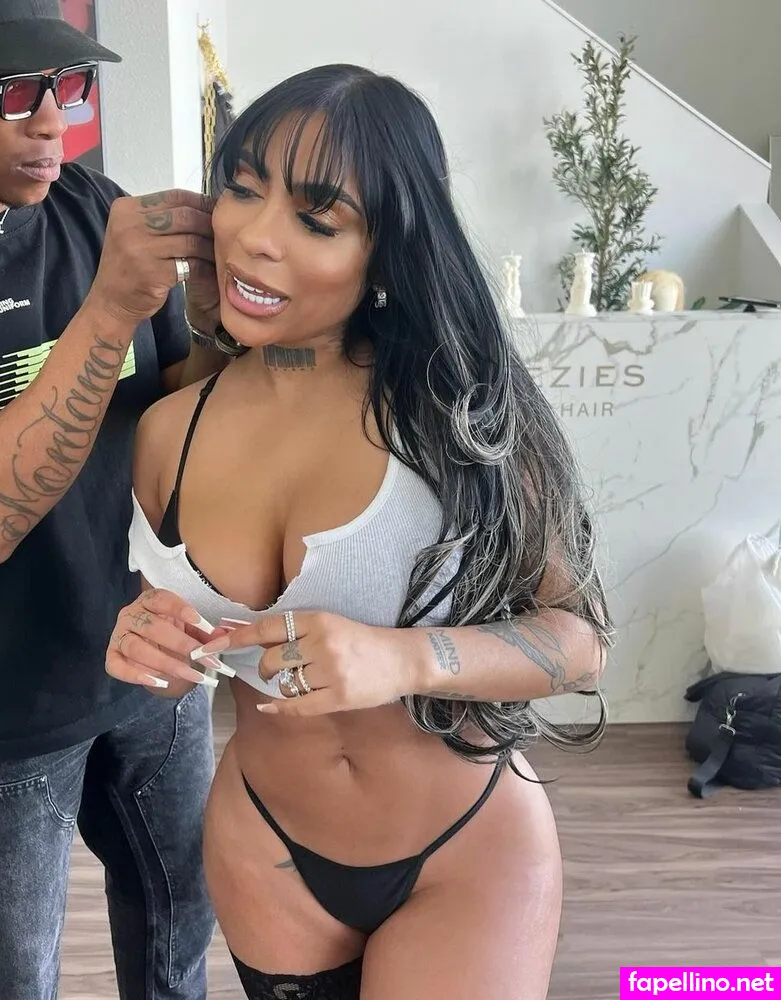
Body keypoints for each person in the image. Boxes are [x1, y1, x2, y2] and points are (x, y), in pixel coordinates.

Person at [106, 63, 615, 999]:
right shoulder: (169, 430)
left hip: (461, 849)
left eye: (316, 219)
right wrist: (144, 635)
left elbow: (579, 643)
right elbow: (170, 631)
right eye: (242, 189)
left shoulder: (459, 417)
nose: (256, 238)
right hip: (264, 845)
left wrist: (404, 659)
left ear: (385, 250)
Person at [0, 3, 228, 998]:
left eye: (67, 86)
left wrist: (218, 326)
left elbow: (181, 414)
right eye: (13, 91)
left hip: (148, 655)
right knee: (7, 981)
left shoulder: (97, 208)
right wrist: (109, 308)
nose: (54, 121)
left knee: (179, 943)